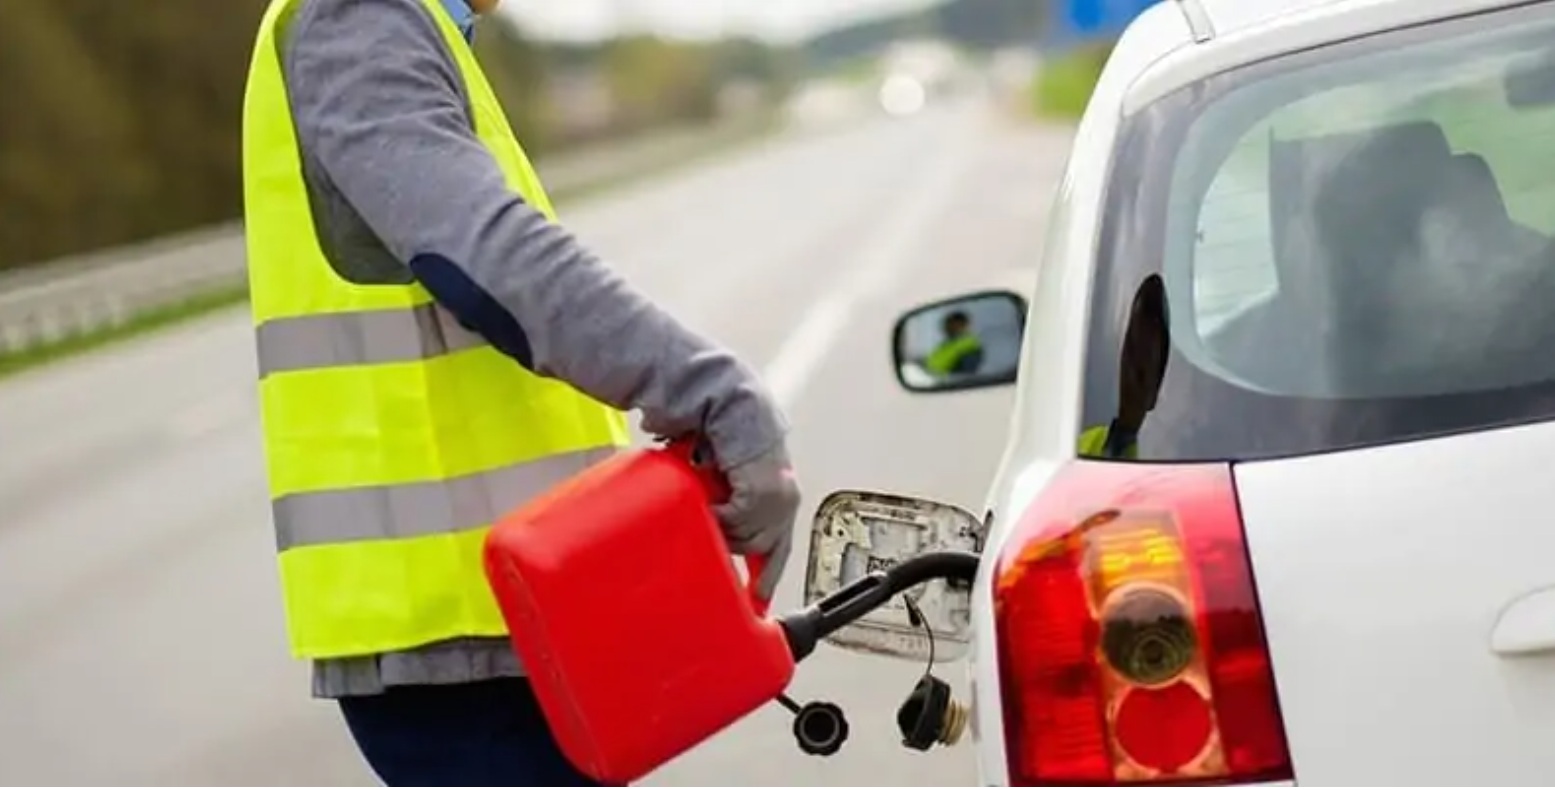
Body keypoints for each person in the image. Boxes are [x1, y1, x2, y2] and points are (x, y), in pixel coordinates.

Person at [240, 0, 800, 785]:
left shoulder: (404, 26)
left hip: (509, 612)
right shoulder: (358, 17)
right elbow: (487, 260)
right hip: (455, 636)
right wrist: (711, 391)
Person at [923, 310, 985, 377]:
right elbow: (931, 362)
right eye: (946, 324)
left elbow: (965, 376)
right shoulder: (947, 344)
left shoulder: (970, 346)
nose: (946, 328)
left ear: (964, 326)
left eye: (952, 324)